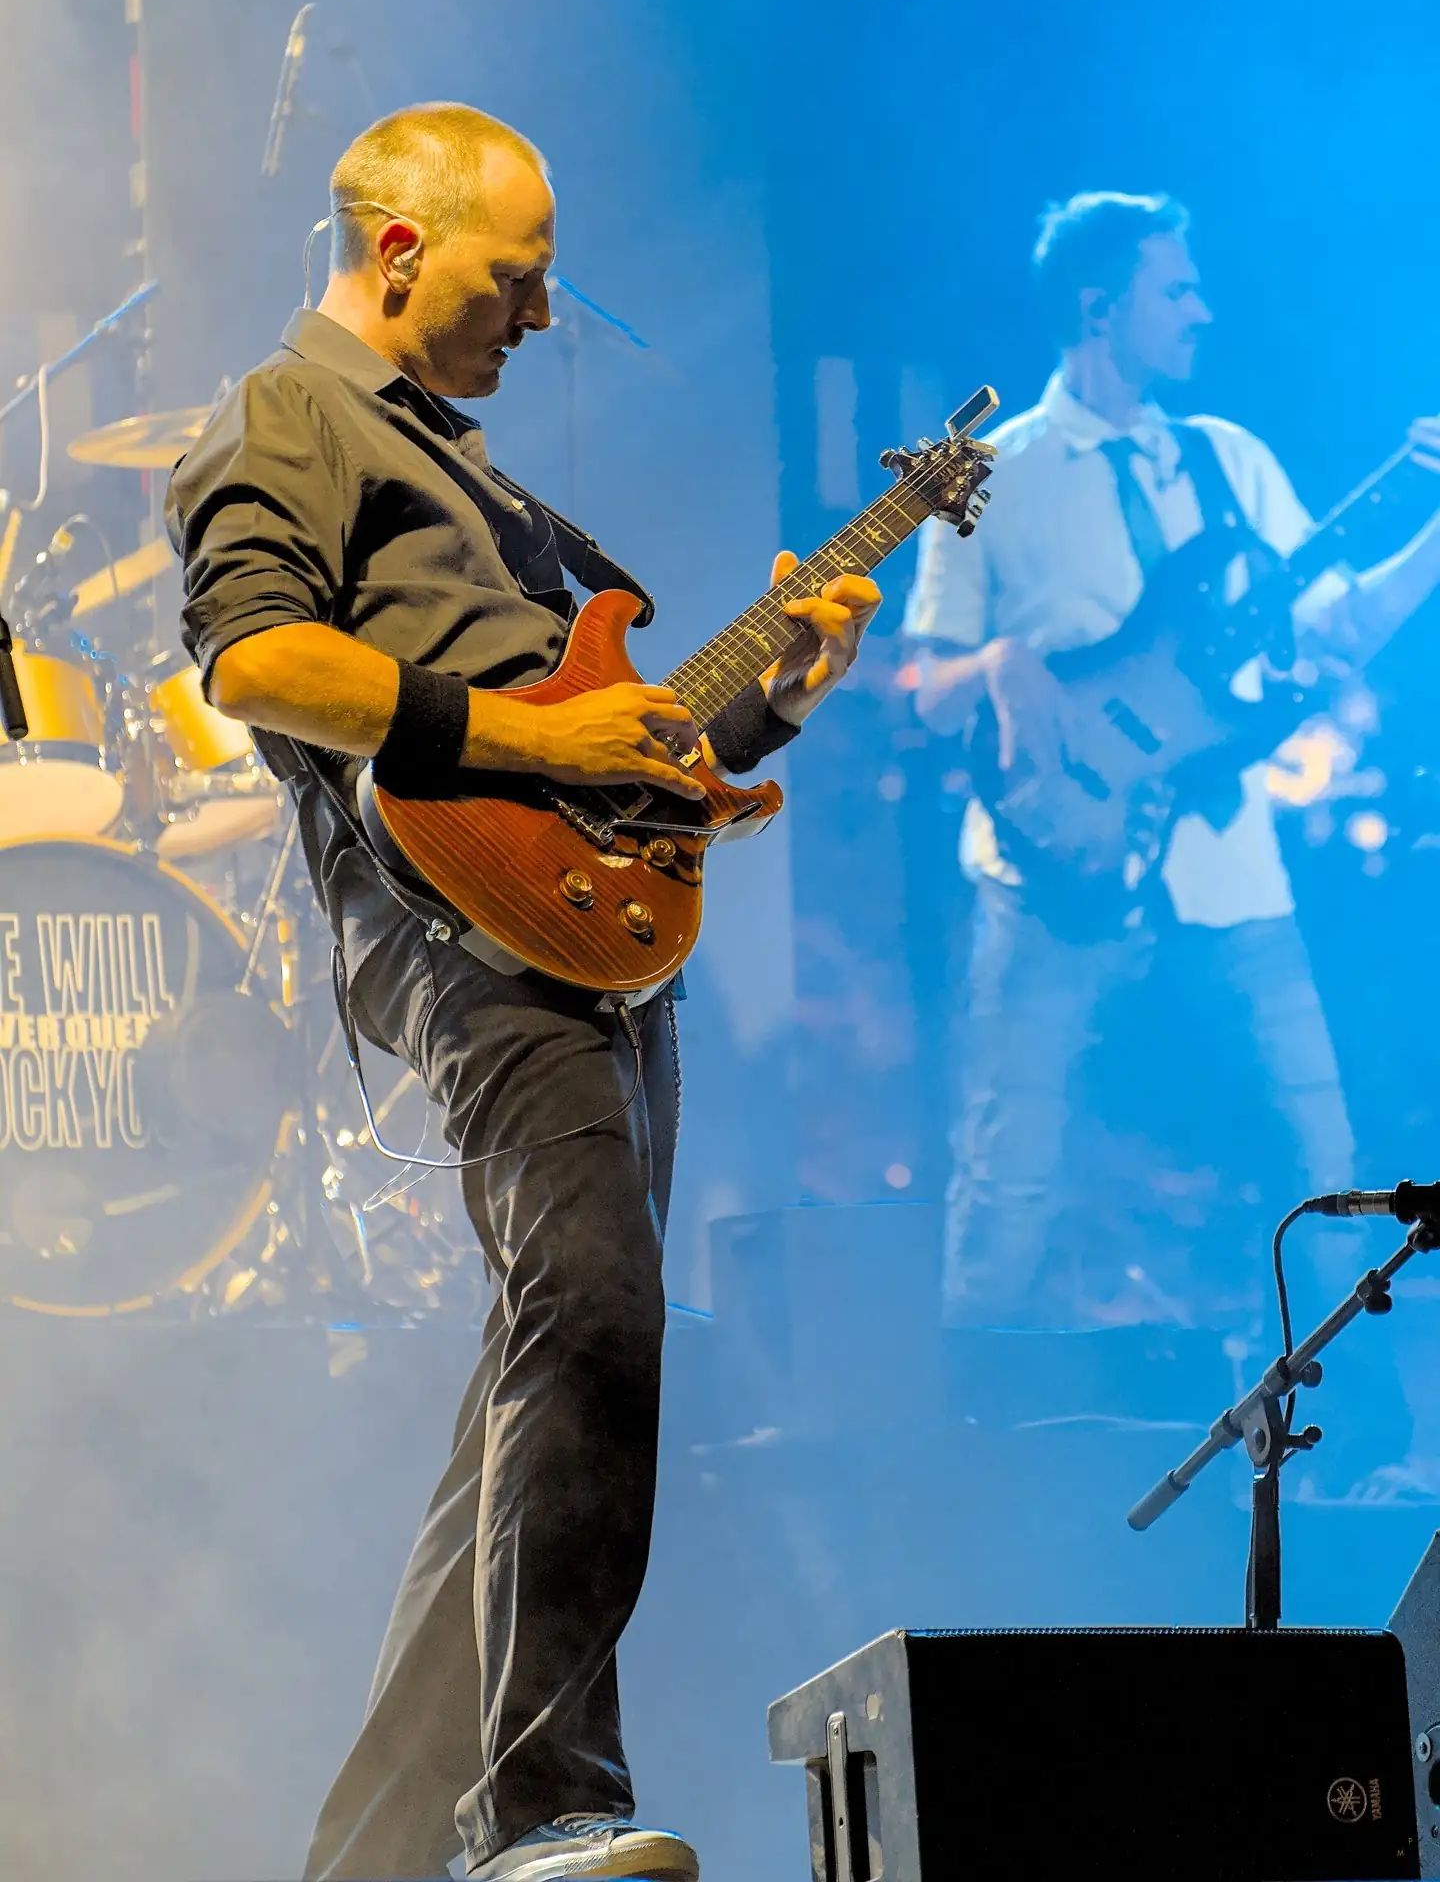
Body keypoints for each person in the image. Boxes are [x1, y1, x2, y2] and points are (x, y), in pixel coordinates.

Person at [165, 102, 881, 1882]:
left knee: (544, 1364)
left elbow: (621, 747)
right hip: (460, 933)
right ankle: (547, 1809)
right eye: (520, 274)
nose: (545, 313)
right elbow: (256, 658)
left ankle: (373, 1859)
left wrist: (777, 697)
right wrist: (537, 737)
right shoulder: (289, 415)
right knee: (597, 1311)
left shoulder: (486, 485)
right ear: (401, 251)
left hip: (590, 928)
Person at [904, 190, 1440, 1335]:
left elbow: (1336, 627)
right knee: (1009, 1187)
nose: (1204, 312)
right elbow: (923, 686)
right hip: (1051, 870)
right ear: (1102, 306)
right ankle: (964, 1424)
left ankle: (1346, 1426)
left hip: (1228, 870)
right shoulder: (992, 470)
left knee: (1321, 1174)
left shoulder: (1228, 459)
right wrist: (998, 663)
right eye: (1179, 289)